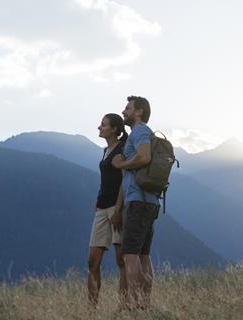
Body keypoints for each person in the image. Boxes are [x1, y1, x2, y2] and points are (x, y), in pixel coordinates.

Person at [111, 95, 160, 309]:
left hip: (138, 202)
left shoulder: (140, 130)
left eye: (127, 108)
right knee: (143, 255)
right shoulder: (141, 132)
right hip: (148, 201)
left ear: (139, 111)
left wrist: (120, 164)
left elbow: (144, 157)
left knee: (129, 254)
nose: (123, 112)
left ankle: (134, 305)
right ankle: (145, 305)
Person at [87, 113, 129, 307]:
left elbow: (124, 182)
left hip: (116, 208)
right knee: (92, 263)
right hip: (102, 208)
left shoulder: (122, 149)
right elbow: (107, 179)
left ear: (114, 129)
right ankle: (92, 309)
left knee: (122, 261)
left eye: (103, 125)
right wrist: (98, 198)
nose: (99, 127)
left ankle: (123, 307)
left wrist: (118, 211)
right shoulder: (105, 150)